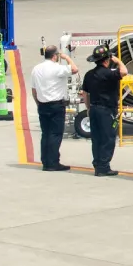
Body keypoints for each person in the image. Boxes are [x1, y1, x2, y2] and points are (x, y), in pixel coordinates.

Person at [80, 44, 127, 176]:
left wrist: (88, 108)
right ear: (107, 60)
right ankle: (103, 167)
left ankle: (97, 164)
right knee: (108, 138)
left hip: (94, 109)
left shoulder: (89, 75)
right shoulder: (108, 73)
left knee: (97, 138)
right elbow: (124, 71)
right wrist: (118, 61)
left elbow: (85, 93)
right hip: (106, 111)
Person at [30, 44, 77, 172]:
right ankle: (53, 162)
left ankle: (45, 161)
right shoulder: (57, 68)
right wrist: (67, 57)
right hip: (56, 105)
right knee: (55, 134)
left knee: (45, 134)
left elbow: (34, 90)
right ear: (55, 56)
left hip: (42, 104)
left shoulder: (36, 69)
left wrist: (38, 103)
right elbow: (74, 69)